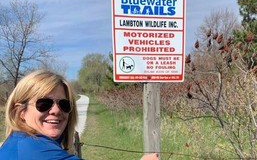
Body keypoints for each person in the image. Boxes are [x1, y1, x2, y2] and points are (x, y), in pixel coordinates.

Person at [0, 69, 158, 160]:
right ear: (20, 111)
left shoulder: (18, 142)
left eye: (64, 104)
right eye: (44, 104)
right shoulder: (38, 151)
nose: (56, 110)